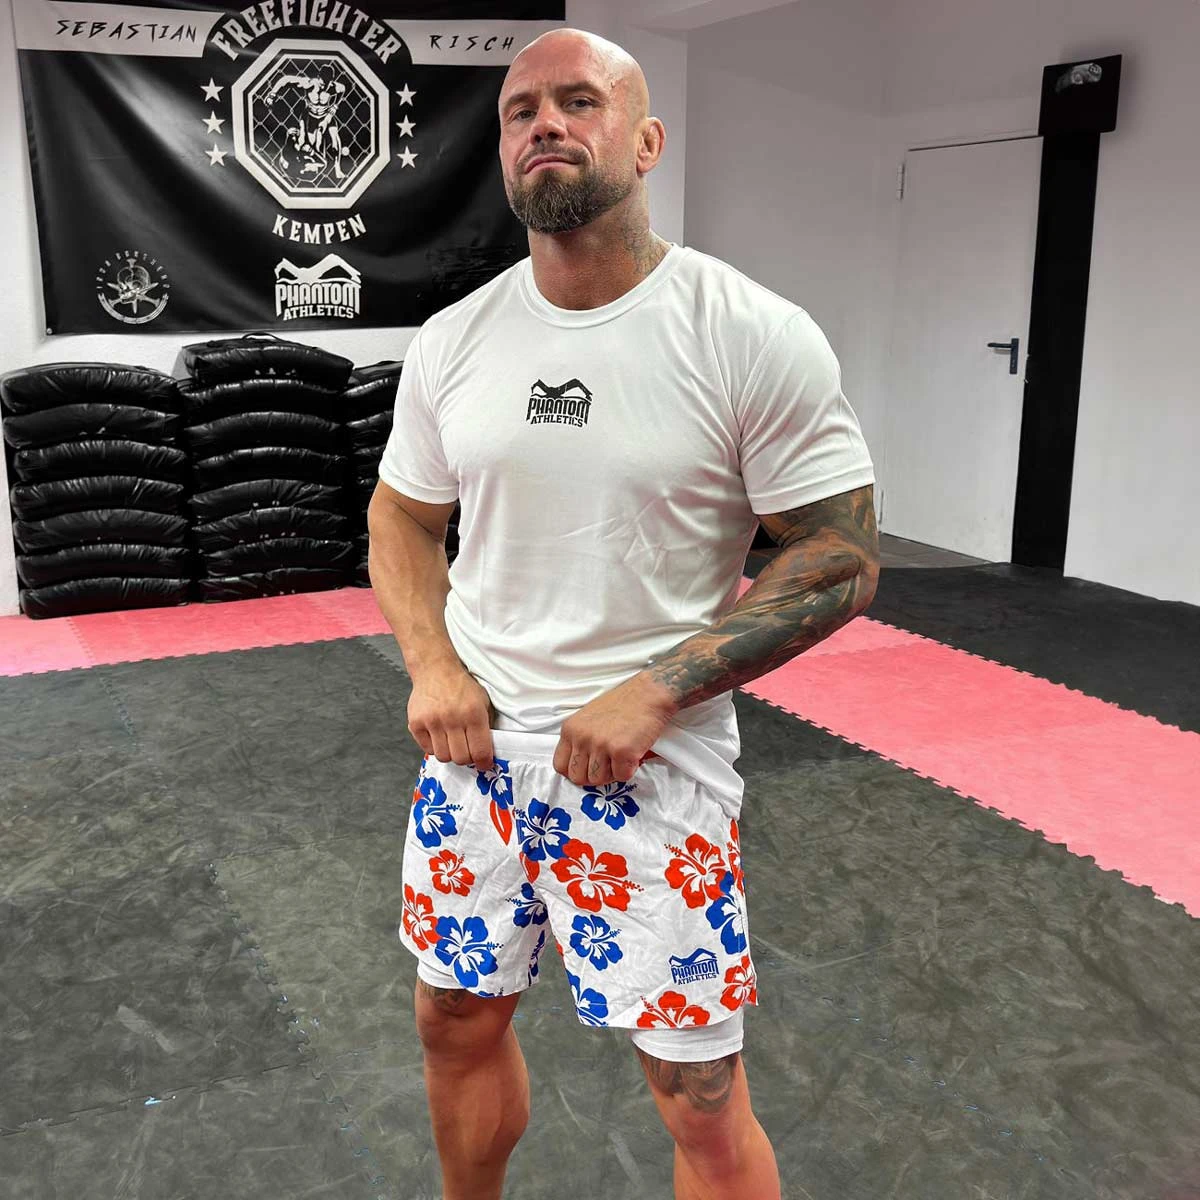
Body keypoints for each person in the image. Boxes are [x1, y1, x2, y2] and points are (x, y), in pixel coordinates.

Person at [367, 26, 879, 1200]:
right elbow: (402, 515)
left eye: (578, 101)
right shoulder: (456, 340)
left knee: (696, 1093)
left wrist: (657, 690)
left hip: (651, 771)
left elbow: (841, 553)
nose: (544, 122)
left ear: (645, 143)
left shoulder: (747, 332)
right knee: (452, 1020)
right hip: (475, 762)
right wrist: (433, 667)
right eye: (520, 110)